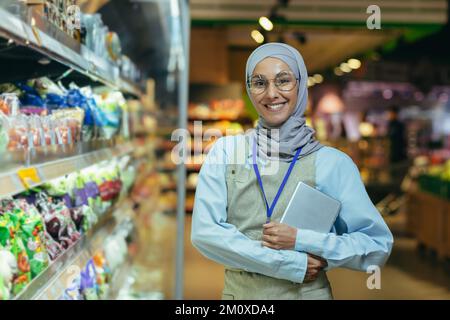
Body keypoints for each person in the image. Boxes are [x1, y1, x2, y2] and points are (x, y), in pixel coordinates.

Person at [191, 43, 393, 300]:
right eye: (259, 82)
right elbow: (205, 233)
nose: (271, 93)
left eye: (283, 80)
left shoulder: (332, 163)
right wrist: (288, 265)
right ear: (249, 89)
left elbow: (376, 246)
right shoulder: (226, 152)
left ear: (301, 84)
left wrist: (301, 239)